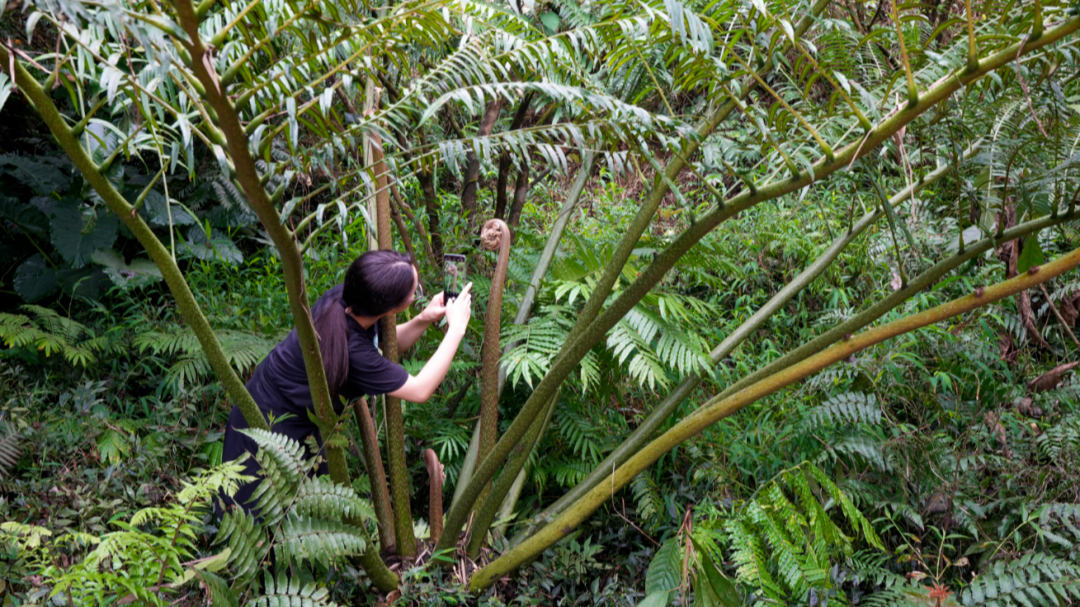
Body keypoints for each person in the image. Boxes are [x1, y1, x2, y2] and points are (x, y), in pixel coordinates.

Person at [219, 250, 473, 514]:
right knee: (256, 523)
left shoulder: (348, 298)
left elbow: (385, 342)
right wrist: (455, 330)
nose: (417, 295)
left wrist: (423, 318)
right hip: (264, 430)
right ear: (391, 307)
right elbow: (420, 389)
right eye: (414, 292)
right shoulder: (356, 352)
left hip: (280, 411)